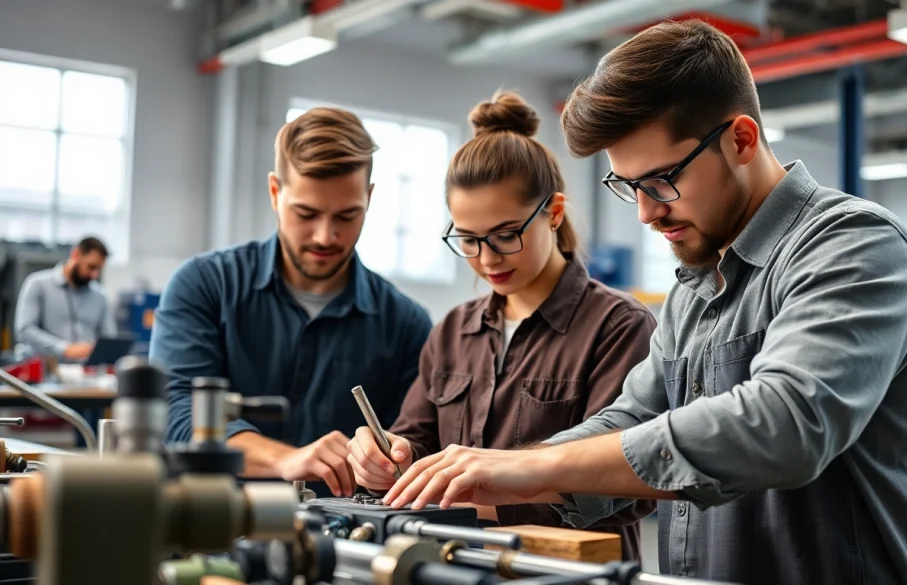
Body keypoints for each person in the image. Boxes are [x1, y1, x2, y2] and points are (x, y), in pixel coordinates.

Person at [379, 21, 907, 585]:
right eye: (628, 187)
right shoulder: (694, 286)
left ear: (741, 139)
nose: (645, 213)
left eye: (660, 181)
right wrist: (505, 474)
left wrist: (535, 465)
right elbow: (634, 417)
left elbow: (787, 421)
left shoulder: (853, 244)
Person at [346, 91, 657, 561]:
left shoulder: (618, 327)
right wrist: (387, 455)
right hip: (455, 565)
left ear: (553, 213)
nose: (487, 258)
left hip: (567, 572)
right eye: (468, 240)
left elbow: (628, 488)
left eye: (506, 235)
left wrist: (475, 494)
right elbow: (417, 439)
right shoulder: (453, 331)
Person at [152, 107, 433, 498]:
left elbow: (416, 439)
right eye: (306, 213)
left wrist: (392, 457)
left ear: (369, 199)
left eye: (347, 216)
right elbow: (176, 412)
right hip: (208, 519)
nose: (324, 236)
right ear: (274, 192)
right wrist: (285, 460)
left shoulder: (407, 325)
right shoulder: (204, 286)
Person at [14, 236, 116, 361]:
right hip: (46, 371)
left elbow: (109, 339)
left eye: (98, 270)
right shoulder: (37, 284)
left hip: (87, 374)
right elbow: (25, 331)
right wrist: (64, 348)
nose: (94, 275)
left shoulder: (101, 297)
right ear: (76, 254)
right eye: (91, 267)